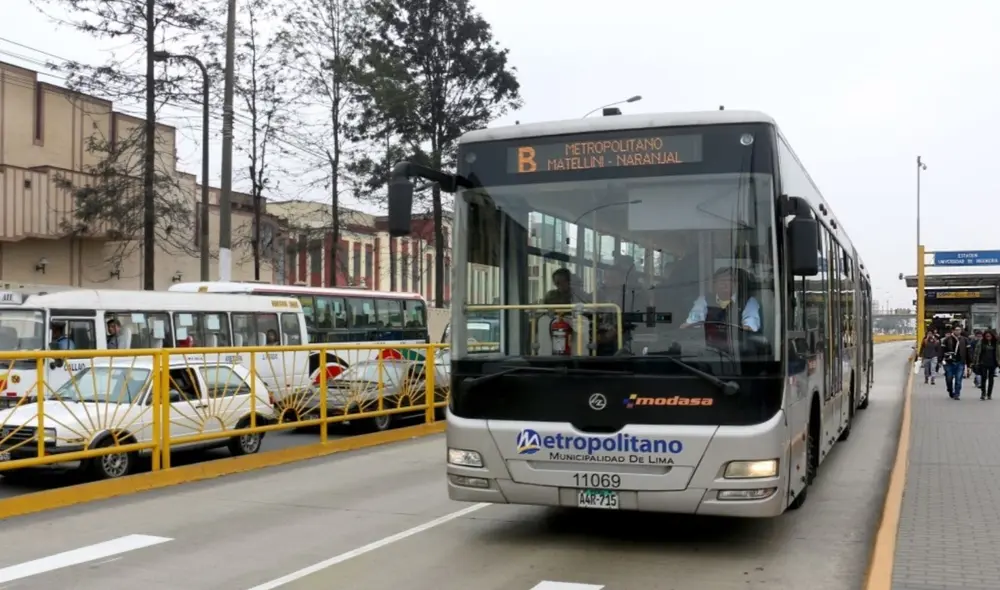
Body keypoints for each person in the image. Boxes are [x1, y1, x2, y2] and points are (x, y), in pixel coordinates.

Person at [680, 267, 761, 332]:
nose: (724, 284)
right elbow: (695, 318)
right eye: (721, 281)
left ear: (736, 284)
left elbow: (751, 321)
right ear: (714, 285)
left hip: (736, 344)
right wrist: (688, 325)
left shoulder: (748, 301)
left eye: (729, 281)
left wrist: (746, 327)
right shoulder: (704, 299)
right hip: (709, 344)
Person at [940, 325, 971, 400]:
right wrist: (941, 360)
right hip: (949, 362)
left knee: (958, 379)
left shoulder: (965, 340)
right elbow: (942, 351)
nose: (958, 331)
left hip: (960, 362)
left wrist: (969, 364)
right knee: (949, 378)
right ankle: (950, 390)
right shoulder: (946, 340)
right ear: (953, 331)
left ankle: (957, 394)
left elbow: (968, 353)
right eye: (956, 330)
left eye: (959, 330)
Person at [972, 329, 999, 400]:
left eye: (989, 336)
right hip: (983, 363)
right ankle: (983, 393)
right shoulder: (981, 342)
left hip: (993, 363)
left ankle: (989, 394)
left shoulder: (995, 343)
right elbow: (976, 353)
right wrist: (974, 362)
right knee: (983, 378)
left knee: (991, 379)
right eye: (987, 336)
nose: (988, 337)